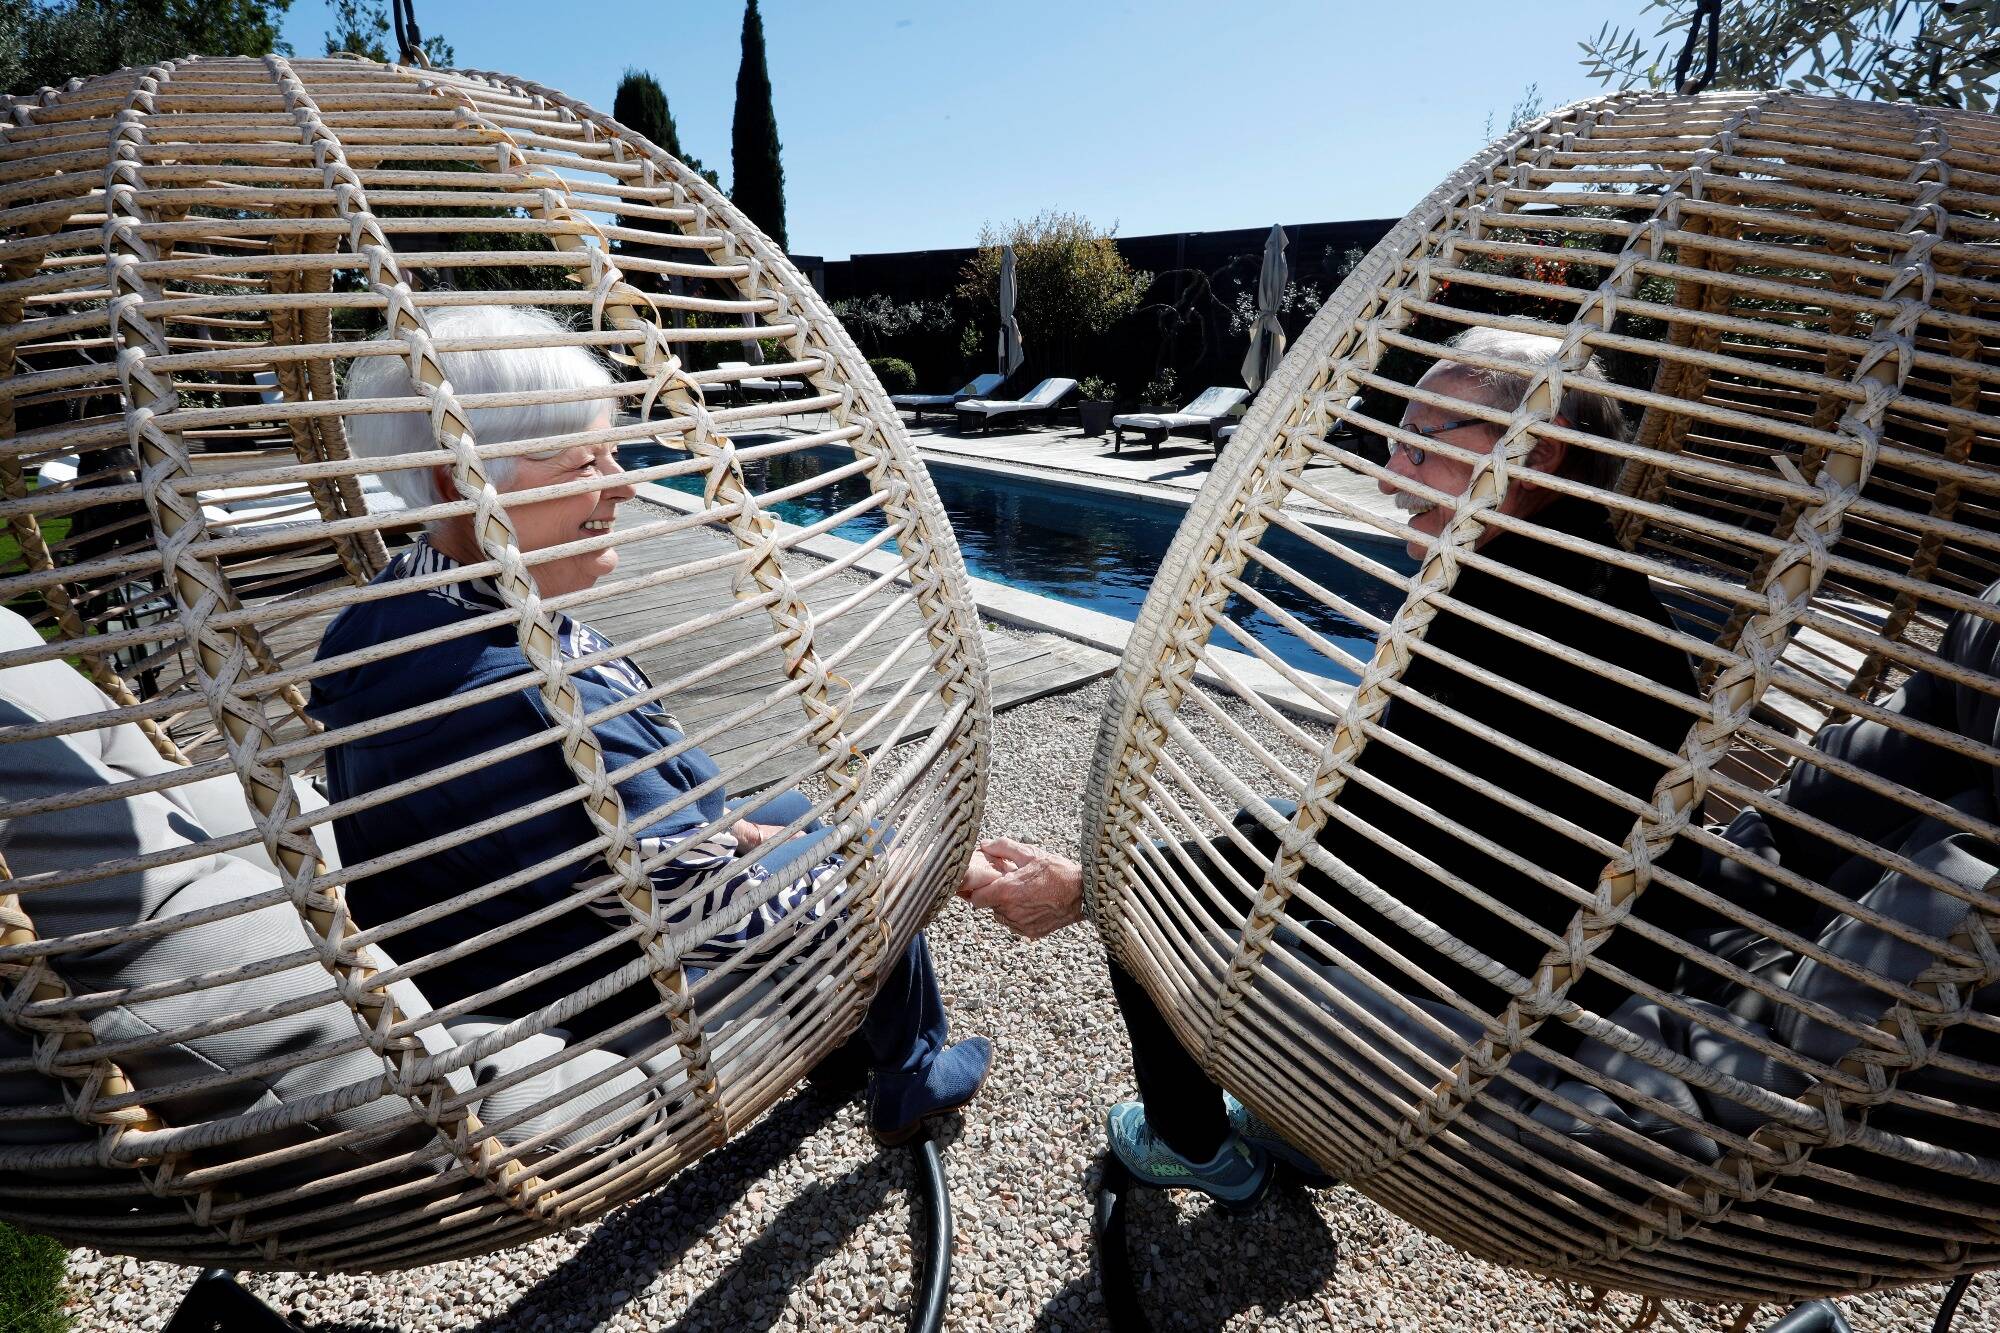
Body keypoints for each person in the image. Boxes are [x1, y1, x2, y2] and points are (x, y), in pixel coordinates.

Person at [961, 328, 1701, 1203]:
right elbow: (1378, 831)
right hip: (1543, 941)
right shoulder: (1599, 592)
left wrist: (1092, 887)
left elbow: (1349, 869)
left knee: (1150, 919)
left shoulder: (1509, 638)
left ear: (1537, 450)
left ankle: (1198, 1146)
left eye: (1424, 448)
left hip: (1499, 1013)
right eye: (1396, 445)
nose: (1391, 481)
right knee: (1257, 824)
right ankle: (1297, 1124)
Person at [309, 305, 989, 1145]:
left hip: (471, 928)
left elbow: (581, 831)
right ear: (459, 481)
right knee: (857, 840)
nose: (625, 484)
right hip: (569, 974)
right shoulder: (535, 706)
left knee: (790, 820)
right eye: (589, 461)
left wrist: (708, 824)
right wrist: (930, 856)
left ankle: (868, 1036)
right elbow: (720, 916)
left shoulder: (384, 614)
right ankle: (913, 1074)